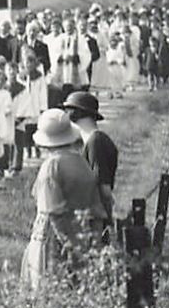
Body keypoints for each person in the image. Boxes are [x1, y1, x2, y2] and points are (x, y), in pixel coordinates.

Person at [20, 110, 109, 292]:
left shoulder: (51, 167)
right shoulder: (80, 162)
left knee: (47, 291)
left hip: (53, 240)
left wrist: (71, 248)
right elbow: (98, 206)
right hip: (85, 234)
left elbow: (53, 212)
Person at [64, 91, 119, 222]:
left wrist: (108, 220)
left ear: (78, 113)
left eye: (68, 110)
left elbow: (104, 188)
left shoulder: (96, 141)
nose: (66, 114)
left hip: (96, 217)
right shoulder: (92, 140)